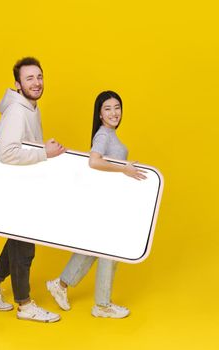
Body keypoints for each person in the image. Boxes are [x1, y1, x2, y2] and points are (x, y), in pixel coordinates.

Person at [46, 90, 147, 318]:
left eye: (117, 107)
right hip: (104, 206)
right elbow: (94, 161)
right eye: (108, 109)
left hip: (107, 203)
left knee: (93, 250)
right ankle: (102, 305)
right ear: (100, 115)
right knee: (109, 252)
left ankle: (60, 285)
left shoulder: (110, 134)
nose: (114, 113)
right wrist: (124, 168)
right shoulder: (103, 135)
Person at [0, 57, 65, 323]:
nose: (37, 83)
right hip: (15, 191)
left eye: (39, 77)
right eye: (30, 78)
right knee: (24, 248)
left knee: (17, 242)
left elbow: (25, 144)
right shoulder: (16, 111)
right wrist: (44, 153)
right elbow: (6, 153)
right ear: (18, 84)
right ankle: (25, 305)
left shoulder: (30, 106)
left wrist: (42, 146)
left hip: (25, 189)